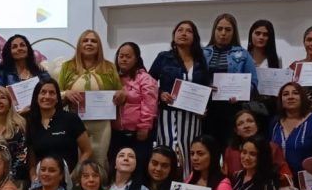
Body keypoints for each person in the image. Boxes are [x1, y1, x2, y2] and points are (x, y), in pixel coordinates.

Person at [149, 20, 211, 178]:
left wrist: (204, 107)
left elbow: (206, 87)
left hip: (192, 117)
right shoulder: (164, 57)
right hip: (167, 115)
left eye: (188, 31)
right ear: (174, 35)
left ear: (194, 37)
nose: (184, 33)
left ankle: (187, 187)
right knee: (167, 153)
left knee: (191, 155)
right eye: (180, 30)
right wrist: (161, 93)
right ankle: (165, 188)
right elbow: (149, 83)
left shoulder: (201, 60)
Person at [58, 29, 123, 172]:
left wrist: (120, 95)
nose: (89, 43)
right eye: (85, 40)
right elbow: (56, 94)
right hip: (75, 122)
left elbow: (121, 93)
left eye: (93, 41)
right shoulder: (67, 66)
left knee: (100, 160)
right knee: (77, 162)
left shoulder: (109, 67)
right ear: (79, 45)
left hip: (102, 124)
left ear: (99, 46)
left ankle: (100, 186)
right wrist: (66, 93)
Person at [203, 13, 259, 147]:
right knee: (207, 148)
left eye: (228, 30)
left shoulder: (243, 54)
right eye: (219, 29)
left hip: (232, 109)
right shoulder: (202, 53)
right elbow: (194, 79)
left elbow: (253, 82)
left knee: (230, 147)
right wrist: (205, 87)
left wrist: (240, 94)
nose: (223, 33)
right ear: (214, 30)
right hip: (206, 109)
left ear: (234, 32)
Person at [25, 80, 91, 179]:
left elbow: (87, 151)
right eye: (43, 92)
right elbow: (31, 157)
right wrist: (33, 177)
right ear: (36, 97)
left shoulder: (70, 119)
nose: (47, 96)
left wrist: (74, 175)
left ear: (57, 98)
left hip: (68, 180)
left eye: (52, 93)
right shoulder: (31, 122)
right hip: (41, 181)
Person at [109, 42, 157, 171]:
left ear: (136, 59)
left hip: (137, 133)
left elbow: (149, 104)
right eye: (121, 56)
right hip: (115, 133)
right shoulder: (112, 77)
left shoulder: (145, 78)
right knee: (114, 168)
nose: (124, 59)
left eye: (128, 56)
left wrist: (144, 126)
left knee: (138, 168)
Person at [271, 82, 312, 180]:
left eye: (295, 93)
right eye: (285, 94)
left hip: (309, 180)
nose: (290, 97)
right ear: (281, 100)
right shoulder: (275, 123)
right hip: (280, 181)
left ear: (302, 98)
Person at [224, 108, 292, 186]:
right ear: (236, 131)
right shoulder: (230, 151)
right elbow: (227, 178)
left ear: (257, 126)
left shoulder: (272, 147)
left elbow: (286, 176)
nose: (246, 126)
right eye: (240, 123)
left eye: (250, 121)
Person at [0, 34, 51, 104]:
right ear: (9, 51)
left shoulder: (40, 72)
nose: (19, 48)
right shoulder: (2, 74)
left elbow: (50, 91)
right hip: (12, 110)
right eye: (14, 47)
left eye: (22, 45)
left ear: (28, 48)